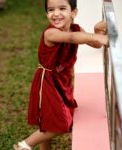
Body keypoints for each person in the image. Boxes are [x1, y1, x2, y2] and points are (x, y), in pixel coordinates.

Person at [13, 0, 108, 149]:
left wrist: (97, 31)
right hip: (48, 81)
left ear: (73, 12)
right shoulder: (50, 33)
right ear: (47, 14)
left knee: (49, 121)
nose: (56, 13)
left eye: (62, 8)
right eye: (51, 10)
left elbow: (96, 44)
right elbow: (71, 38)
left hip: (62, 80)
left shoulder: (76, 29)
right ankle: (24, 145)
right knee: (61, 123)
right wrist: (94, 37)